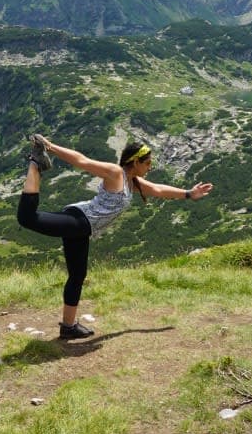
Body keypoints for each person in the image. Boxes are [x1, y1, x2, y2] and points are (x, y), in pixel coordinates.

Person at [16, 134, 214, 339]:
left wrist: (189, 194)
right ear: (135, 162)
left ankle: (68, 326)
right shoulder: (116, 173)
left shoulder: (132, 181)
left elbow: (157, 189)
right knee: (27, 218)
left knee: (77, 276)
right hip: (79, 220)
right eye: (147, 163)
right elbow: (82, 161)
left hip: (84, 229)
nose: (150, 167)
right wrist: (50, 148)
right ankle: (35, 162)